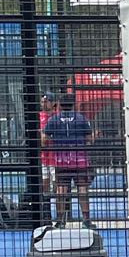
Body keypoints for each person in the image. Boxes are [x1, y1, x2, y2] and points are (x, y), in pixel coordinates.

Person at [41, 89, 95, 225]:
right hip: (80, 160)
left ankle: (60, 220)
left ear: (60, 104)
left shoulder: (54, 120)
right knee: (82, 188)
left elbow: (43, 140)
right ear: (73, 104)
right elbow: (90, 139)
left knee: (61, 189)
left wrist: (56, 140)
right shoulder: (81, 118)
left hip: (61, 160)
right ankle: (86, 219)